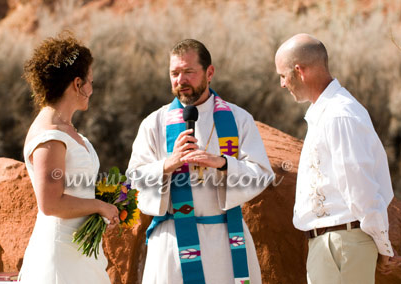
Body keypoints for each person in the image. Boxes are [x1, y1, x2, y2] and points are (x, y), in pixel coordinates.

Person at [127, 39, 274, 284]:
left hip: (226, 238)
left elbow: (261, 173)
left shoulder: (238, 119)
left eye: (189, 72)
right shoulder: (155, 123)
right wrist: (167, 165)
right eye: (174, 73)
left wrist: (223, 163)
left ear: (210, 72)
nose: (180, 80)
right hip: (172, 242)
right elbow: (134, 177)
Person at [275, 33, 401, 283]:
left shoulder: (338, 115)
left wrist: (382, 245)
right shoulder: (327, 112)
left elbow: (359, 186)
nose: (281, 84)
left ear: (299, 71)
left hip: (343, 244)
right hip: (335, 245)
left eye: (282, 75)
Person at [18, 32, 119, 284]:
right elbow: (50, 203)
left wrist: (105, 203)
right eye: (90, 82)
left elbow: (75, 188)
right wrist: (100, 206)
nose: (91, 89)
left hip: (80, 251)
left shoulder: (67, 129)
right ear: (77, 84)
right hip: (60, 256)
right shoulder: (50, 134)